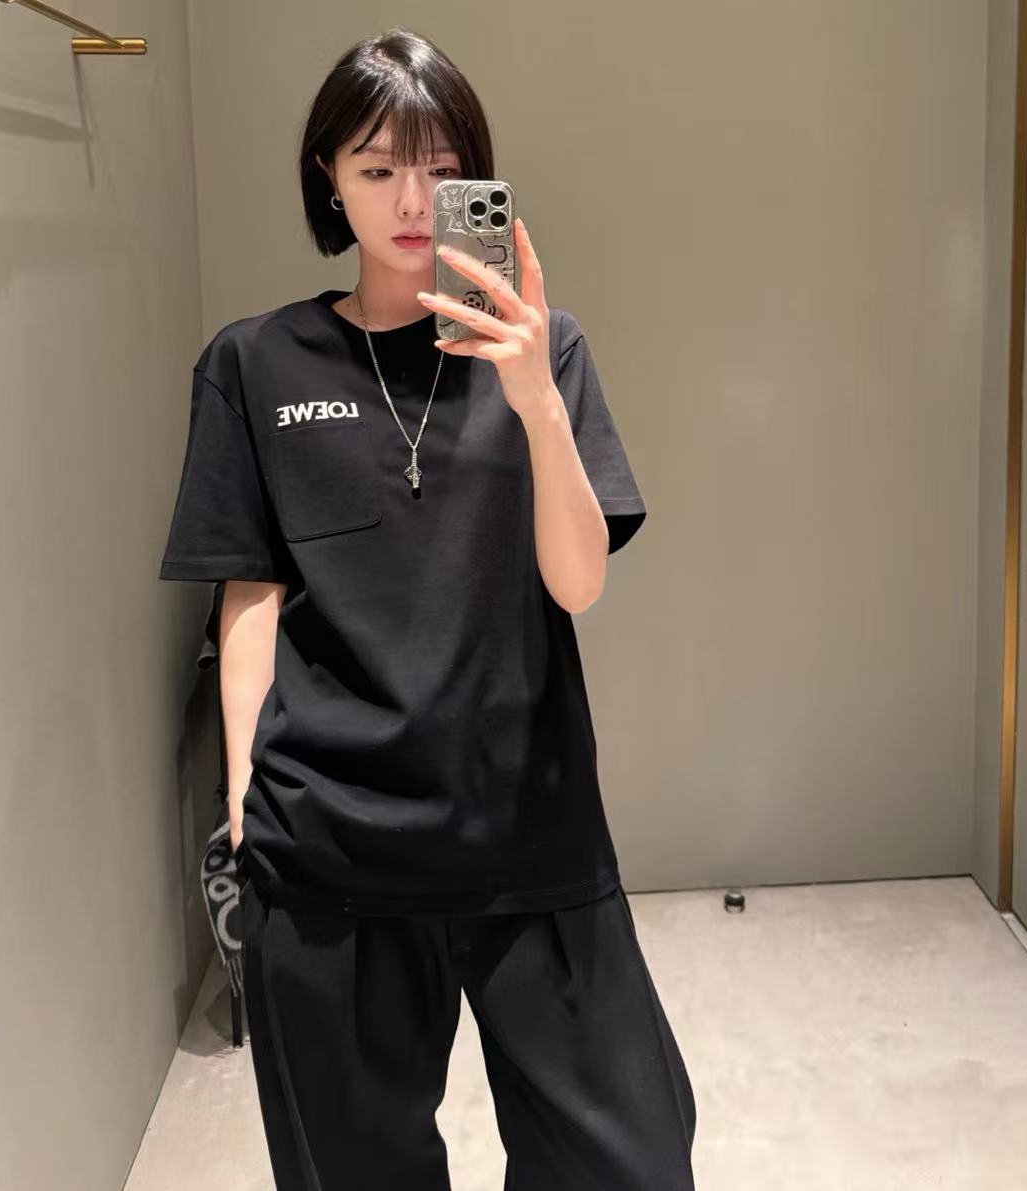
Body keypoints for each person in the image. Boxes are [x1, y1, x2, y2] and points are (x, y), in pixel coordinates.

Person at [158, 26, 697, 1191]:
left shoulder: (546, 351)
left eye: (442, 170)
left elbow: (578, 582)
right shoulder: (255, 365)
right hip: (329, 844)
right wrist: (244, 796)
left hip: (528, 827)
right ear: (328, 180)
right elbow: (249, 595)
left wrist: (533, 400)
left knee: (630, 1163)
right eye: (377, 168)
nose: (412, 201)